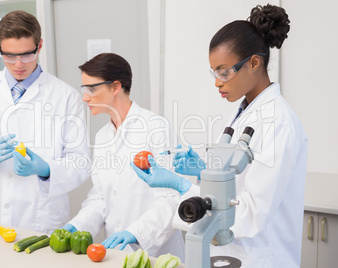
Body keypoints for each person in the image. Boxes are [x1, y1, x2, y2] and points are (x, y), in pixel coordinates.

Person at [132, 4, 308, 267]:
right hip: (230, 253)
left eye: (224, 72)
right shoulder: (242, 113)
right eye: (214, 72)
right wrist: (204, 173)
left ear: (254, 63)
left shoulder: (278, 122)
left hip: (261, 257)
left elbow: (251, 212)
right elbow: (233, 185)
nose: (217, 81)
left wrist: (182, 187)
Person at [0, 10, 90, 234]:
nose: (18, 64)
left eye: (27, 54)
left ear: (40, 45)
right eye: (9, 55)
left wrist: (46, 170)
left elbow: (80, 160)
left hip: (43, 219)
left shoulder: (65, 96)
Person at [62, 53, 185, 260]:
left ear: (115, 87)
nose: (85, 97)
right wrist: (77, 225)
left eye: (91, 89)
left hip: (158, 255)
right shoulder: (103, 136)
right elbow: (101, 197)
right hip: (116, 255)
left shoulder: (156, 127)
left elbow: (172, 196)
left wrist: (136, 232)